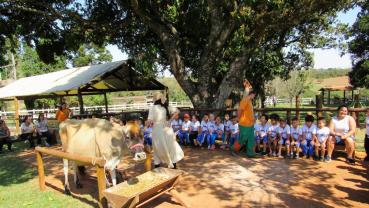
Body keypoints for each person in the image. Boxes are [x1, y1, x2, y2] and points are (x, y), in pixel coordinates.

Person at [147, 92, 184, 169]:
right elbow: (178, 111)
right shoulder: (166, 106)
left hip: (157, 129)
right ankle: (173, 165)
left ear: (155, 100)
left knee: (157, 147)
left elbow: (149, 121)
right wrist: (170, 120)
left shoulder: (153, 108)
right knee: (171, 146)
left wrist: (146, 124)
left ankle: (157, 166)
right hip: (167, 128)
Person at [237, 89, 257, 157]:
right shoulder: (245, 100)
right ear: (252, 94)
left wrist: (253, 119)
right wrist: (239, 118)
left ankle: (250, 153)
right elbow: (240, 110)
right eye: (254, 95)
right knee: (243, 139)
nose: (254, 97)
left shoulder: (250, 101)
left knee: (251, 138)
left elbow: (249, 112)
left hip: (250, 124)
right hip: (244, 124)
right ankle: (233, 148)